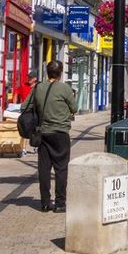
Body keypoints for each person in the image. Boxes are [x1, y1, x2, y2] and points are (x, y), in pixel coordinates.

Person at [23, 60, 77, 213]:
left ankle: (45, 203)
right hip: (60, 133)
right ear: (60, 73)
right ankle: (60, 203)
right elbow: (75, 107)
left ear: (47, 72)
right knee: (61, 168)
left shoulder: (38, 87)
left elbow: (24, 106)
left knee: (44, 169)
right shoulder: (65, 88)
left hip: (43, 133)